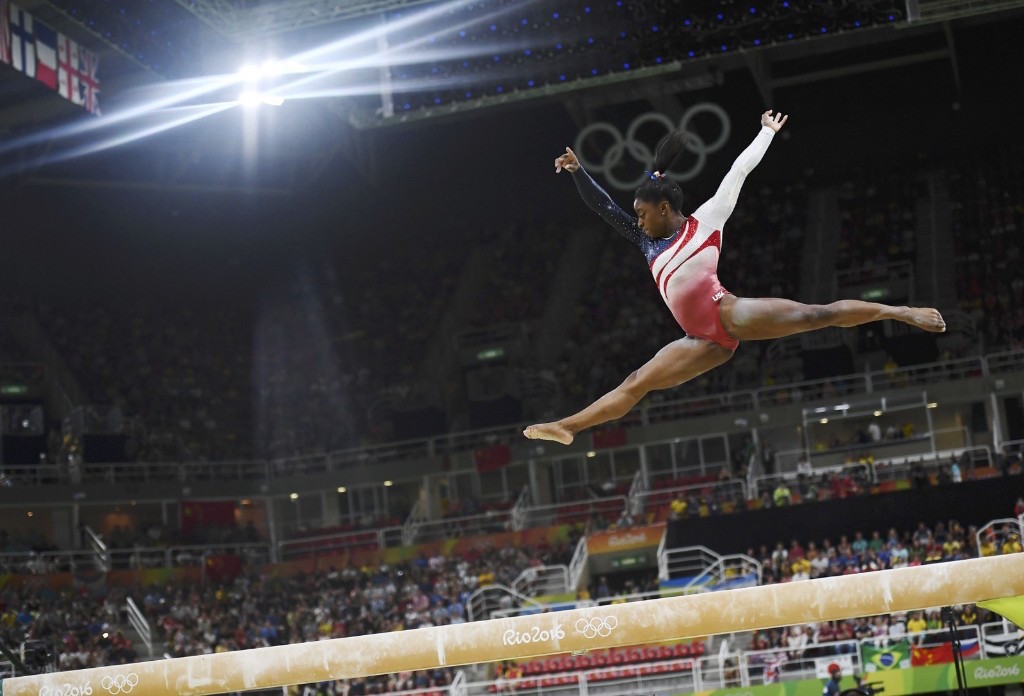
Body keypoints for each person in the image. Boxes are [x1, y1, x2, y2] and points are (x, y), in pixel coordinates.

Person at [524, 110, 946, 444]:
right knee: (636, 383)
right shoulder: (644, 240)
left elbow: (738, 172)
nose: (637, 221)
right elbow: (603, 209)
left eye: (642, 213)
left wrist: (765, 132)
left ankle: (902, 312)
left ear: (665, 209)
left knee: (817, 315)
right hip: (701, 342)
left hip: (725, 313)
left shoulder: (706, 222)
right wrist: (579, 171)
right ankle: (569, 427)